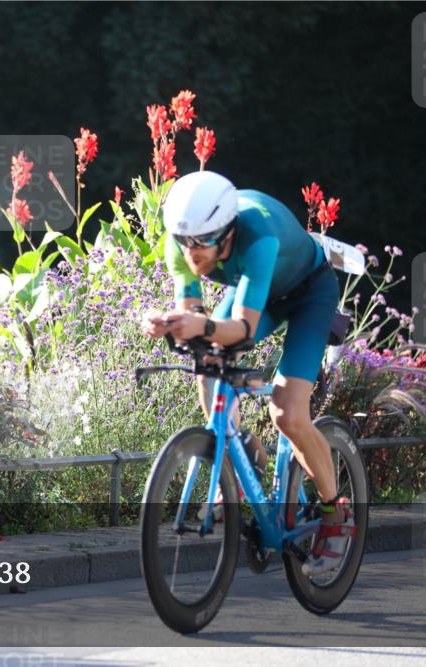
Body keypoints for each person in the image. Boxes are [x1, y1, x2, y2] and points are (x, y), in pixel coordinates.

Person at [140, 170, 355, 577]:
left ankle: (335, 514)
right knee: (208, 370)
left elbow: (244, 329)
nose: (192, 253)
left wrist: (200, 326)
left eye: (203, 242)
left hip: (308, 293)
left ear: (227, 232)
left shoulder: (258, 236)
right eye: (185, 242)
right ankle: (243, 471)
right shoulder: (183, 239)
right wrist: (171, 322)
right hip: (261, 292)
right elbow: (194, 313)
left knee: (287, 413)